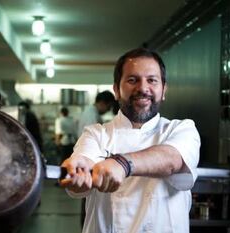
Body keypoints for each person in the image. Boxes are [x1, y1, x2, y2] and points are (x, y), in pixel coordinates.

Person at [60, 48, 200, 233]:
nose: (143, 88)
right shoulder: (96, 134)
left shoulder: (181, 129)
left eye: (152, 80)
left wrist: (122, 164)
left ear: (163, 90)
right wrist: (76, 173)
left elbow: (172, 159)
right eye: (132, 80)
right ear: (117, 90)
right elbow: (83, 163)